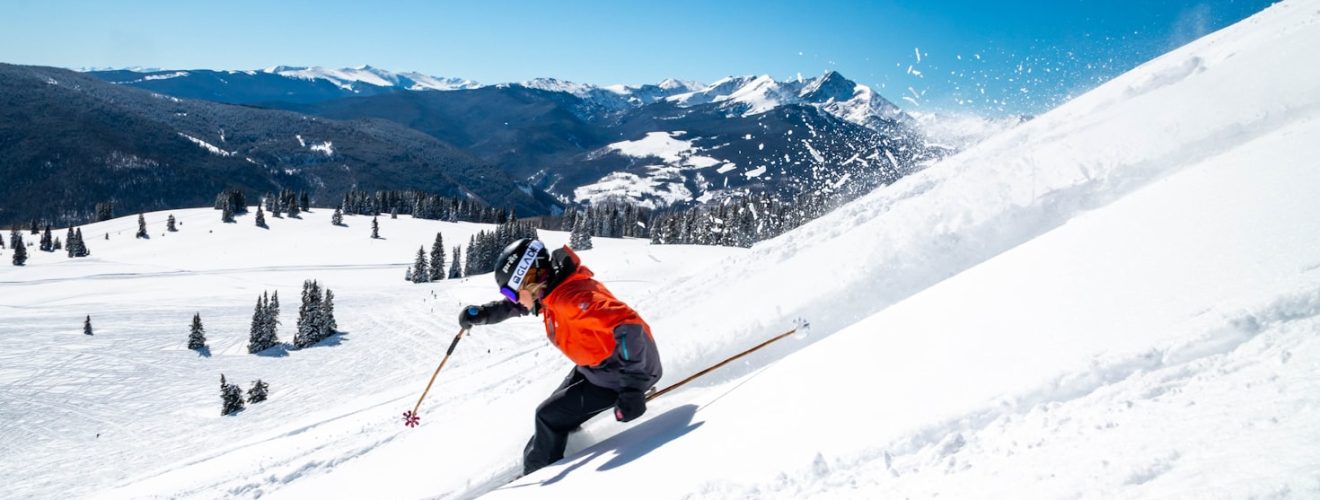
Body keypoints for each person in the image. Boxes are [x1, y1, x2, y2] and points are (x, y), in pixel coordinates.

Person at [459, 238, 662, 476]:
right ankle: (543, 463)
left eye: (511, 292)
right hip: (597, 368)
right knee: (549, 417)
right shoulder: (552, 289)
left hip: (621, 375)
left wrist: (633, 388)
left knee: (547, 417)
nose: (512, 299)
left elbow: (628, 325)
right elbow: (517, 306)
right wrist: (483, 314)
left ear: (529, 280)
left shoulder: (571, 299)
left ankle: (539, 477)